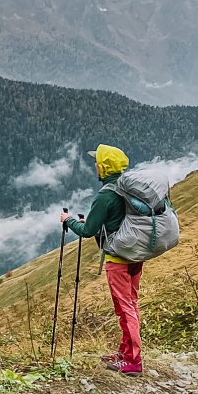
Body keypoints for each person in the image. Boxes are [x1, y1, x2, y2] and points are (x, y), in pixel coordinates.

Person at [59, 144, 144, 375]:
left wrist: (68, 221)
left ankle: (133, 361)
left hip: (117, 258)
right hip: (136, 255)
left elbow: (88, 231)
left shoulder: (106, 195)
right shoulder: (130, 189)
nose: (95, 164)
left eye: (97, 161)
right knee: (130, 304)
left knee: (124, 307)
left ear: (104, 167)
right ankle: (126, 353)